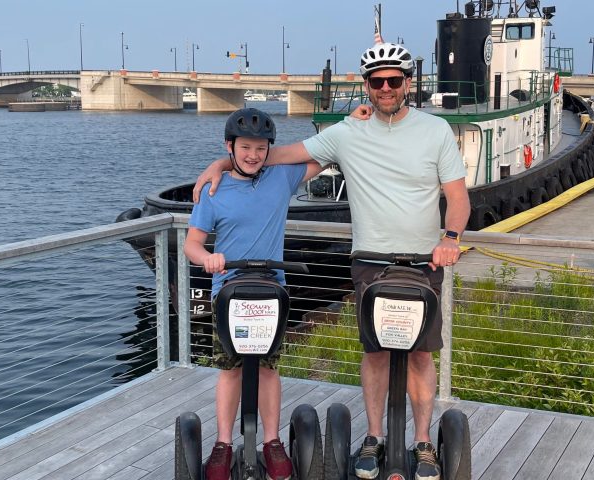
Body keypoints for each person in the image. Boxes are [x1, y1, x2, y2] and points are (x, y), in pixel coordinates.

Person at [194, 40, 470, 480]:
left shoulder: (435, 131)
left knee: (420, 355)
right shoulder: (346, 133)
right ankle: (374, 437)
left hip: (423, 263)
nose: (385, 88)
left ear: (407, 84)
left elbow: (457, 197)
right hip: (370, 261)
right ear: (366, 86)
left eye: (393, 80)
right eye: (376, 81)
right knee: (375, 353)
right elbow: (271, 155)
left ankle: (422, 443)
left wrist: (451, 237)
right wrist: (221, 164)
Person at [184, 107, 324, 480]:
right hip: (227, 291)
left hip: (270, 290)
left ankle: (272, 441)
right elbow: (192, 245)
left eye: (261, 148)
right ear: (230, 146)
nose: (252, 155)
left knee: (266, 368)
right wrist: (209, 258)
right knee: (230, 370)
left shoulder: (281, 178)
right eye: (245, 147)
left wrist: (352, 121)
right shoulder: (213, 190)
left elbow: (325, 154)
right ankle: (224, 443)